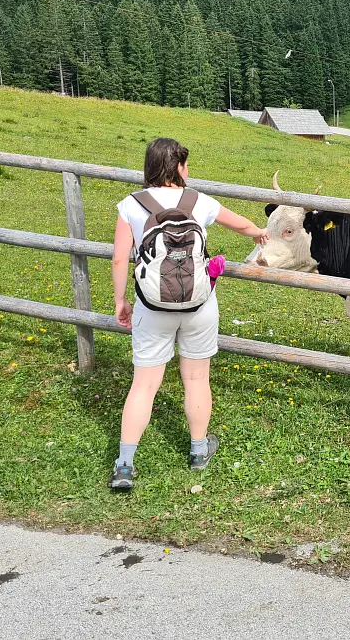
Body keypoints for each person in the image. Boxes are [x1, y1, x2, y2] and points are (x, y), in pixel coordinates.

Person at [108, 137, 268, 491]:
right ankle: (198, 451)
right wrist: (258, 232)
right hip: (199, 305)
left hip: (151, 307)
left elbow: (121, 258)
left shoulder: (131, 205)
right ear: (178, 168)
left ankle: (124, 465)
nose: (188, 170)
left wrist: (121, 301)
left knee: (144, 385)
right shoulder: (199, 201)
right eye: (185, 164)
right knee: (196, 379)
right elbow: (240, 224)